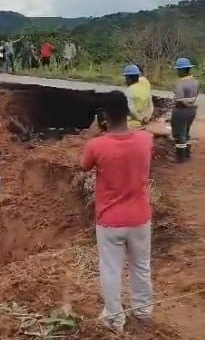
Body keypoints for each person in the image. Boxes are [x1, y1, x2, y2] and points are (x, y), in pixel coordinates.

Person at [81, 90, 153, 333]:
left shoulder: (96, 145)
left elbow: (83, 166)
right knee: (141, 266)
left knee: (111, 269)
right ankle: (142, 312)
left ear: (104, 116)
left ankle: (115, 318)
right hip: (140, 217)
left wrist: (92, 133)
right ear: (127, 112)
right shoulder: (146, 140)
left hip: (110, 220)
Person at [171, 57, 199, 163]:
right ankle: (187, 154)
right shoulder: (195, 82)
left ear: (183, 70)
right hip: (192, 111)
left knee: (179, 133)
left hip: (181, 111)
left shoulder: (179, 83)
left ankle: (180, 158)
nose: (177, 71)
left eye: (178, 69)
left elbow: (179, 100)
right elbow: (194, 97)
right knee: (186, 132)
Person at [123, 64, 154, 129]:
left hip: (130, 124)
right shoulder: (145, 88)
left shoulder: (130, 90)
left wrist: (140, 118)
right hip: (144, 124)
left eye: (126, 77)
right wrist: (146, 118)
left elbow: (130, 109)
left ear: (129, 78)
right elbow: (151, 106)